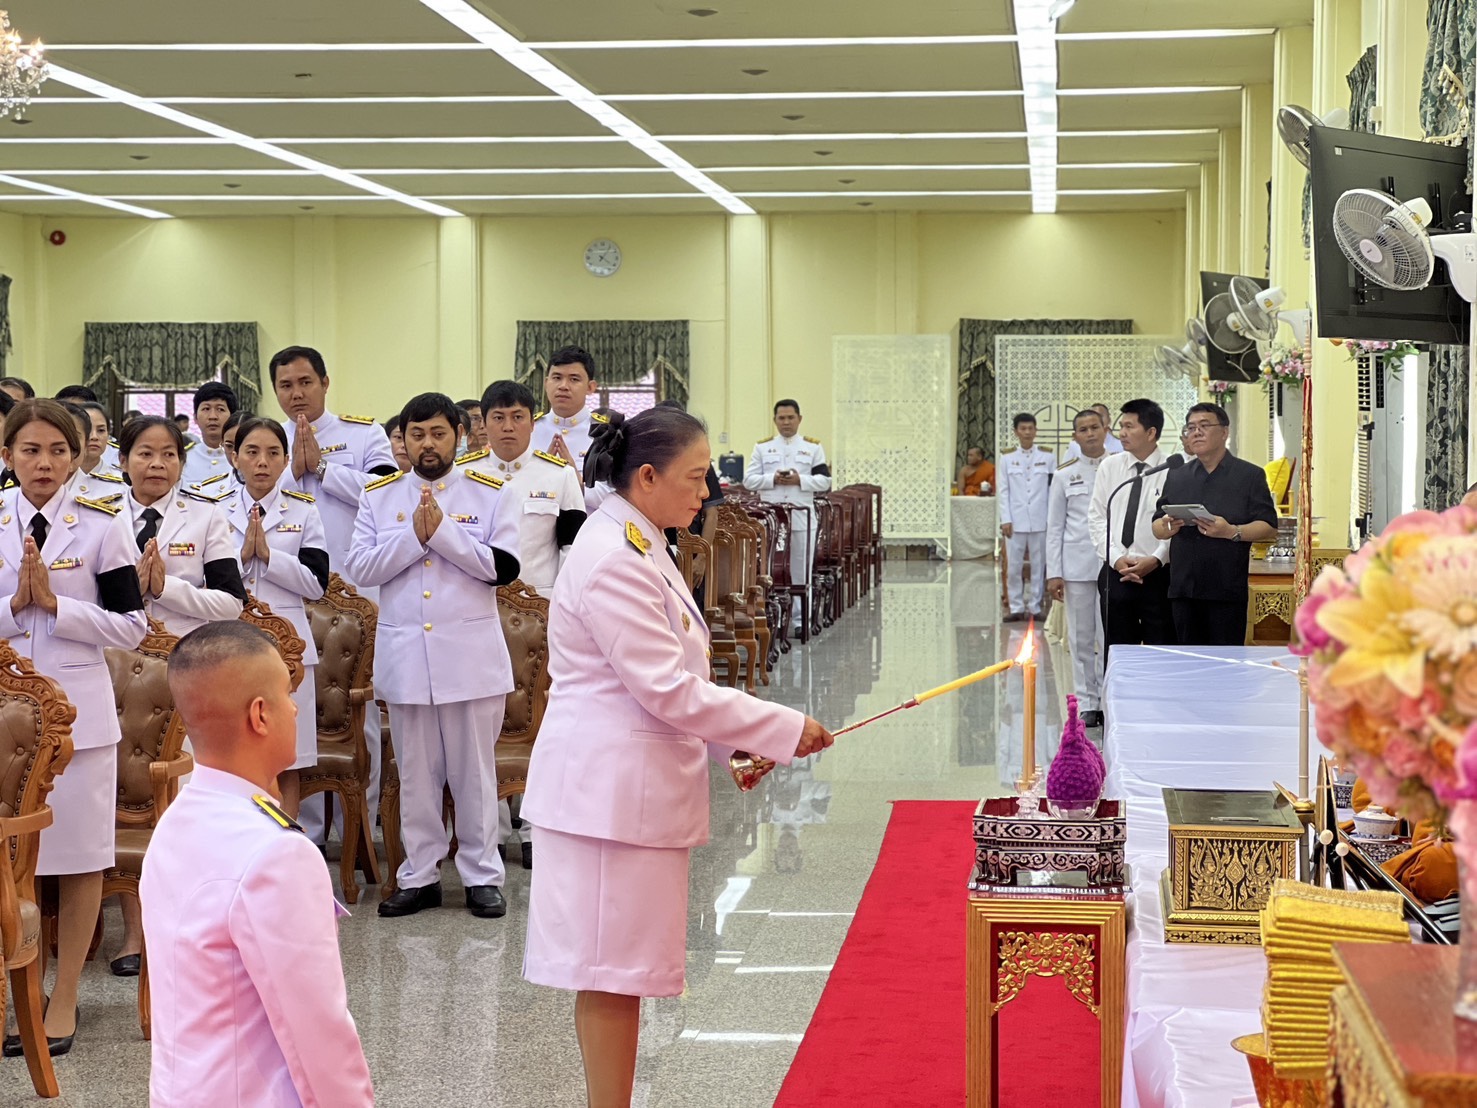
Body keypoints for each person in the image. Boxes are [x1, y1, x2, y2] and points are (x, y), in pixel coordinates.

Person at [523, 406, 834, 1107]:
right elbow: (665, 688)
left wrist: (734, 744)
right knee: (609, 972)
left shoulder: (641, 537)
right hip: (606, 798)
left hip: (625, 789)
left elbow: (670, 682)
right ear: (645, 476)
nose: (707, 493)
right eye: (695, 478)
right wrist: (778, 726)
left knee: (623, 972)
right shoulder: (613, 558)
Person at [140, 621, 373, 1106]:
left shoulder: (177, 820)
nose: (294, 707)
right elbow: (317, 1032)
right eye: (288, 695)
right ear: (260, 715)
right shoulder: (276, 853)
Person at [0, 399, 148, 1056]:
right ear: (8, 456)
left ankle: (63, 999)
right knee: (7, 865)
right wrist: (14, 606)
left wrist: (58, 607)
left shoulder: (102, 526)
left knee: (82, 862)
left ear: (74, 456)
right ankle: (15, 992)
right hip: (5, 726)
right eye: (30, 450)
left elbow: (132, 626)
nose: (44, 463)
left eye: (57, 451)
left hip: (79, 725)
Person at [346, 392, 521, 919]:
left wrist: (441, 534)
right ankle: (418, 876)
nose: (427, 444)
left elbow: (503, 567)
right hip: (405, 657)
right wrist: (411, 537)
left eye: (438, 433)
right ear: (402, 439)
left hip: (470, 658)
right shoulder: (378, 497)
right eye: (416, 434)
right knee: (416, 774)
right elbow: (360, 569)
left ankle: (481, 876)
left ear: (460, 436)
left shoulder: (490, 492)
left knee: (474, 773)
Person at [273, 345, 397, 845]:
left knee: (352, 708)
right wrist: (289, 467)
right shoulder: (267, 439)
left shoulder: (361, 434)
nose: (297, 393)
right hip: (289, 591)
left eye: (305, 382)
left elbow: (388, 495)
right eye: (286, 385)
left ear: (325, 383)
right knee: (293, 713)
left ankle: (355, 834)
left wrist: (323, 469)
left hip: (353, 595)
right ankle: (302, 832)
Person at [477, 379, 587, 870]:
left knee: (538, 723)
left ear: (531, 421)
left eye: (517, 417)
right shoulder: (466, 476)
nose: (507, 427)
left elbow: (572, 552)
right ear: (483, 424)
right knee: (486, 722)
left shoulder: (558, 475)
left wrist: (563, 617)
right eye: (497, 418)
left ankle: (532, 826)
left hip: (540, 621)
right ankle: (493, 827)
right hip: (478, 615)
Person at [227, 416, 330, 817]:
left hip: (289, 655)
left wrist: (270, 557)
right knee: (235, 755)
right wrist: (241, 558)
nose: (262, 462)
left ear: (287, 459)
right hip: (232, 648)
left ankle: (284, 848)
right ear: (235, 457)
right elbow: (207, 579)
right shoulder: (215, 510)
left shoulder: (303, 512)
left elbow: (316, 584)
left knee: (288, 757)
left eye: (273, 453)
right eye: (252, 452)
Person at [1152, 402, 1278, 645]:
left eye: (1204, 425)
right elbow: (1158, 524)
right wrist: (1166, 527)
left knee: (1225, 668)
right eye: (1190, 428)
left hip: (1226, 590)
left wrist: (1232, 531)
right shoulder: (1178, 475)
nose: (1196, 432)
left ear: (1224, 432)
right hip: (1183, 589)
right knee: (1188, 667)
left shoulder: (1249, 475)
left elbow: (1269, 526)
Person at [118, 416, 248, 637]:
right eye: (145, 453)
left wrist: (165, 589)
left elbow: (231, 604)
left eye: (169, 454)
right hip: (115, 651)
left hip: (185, 650)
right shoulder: (101, 516)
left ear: (181, 464)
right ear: (123, 461)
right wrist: (130, 591)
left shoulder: (206, 516)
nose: (157, 463)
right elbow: (83, 600)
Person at [1088, 398, 1176, 659]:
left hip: (1158, 575)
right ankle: (1116, 700)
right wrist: (1116, 559)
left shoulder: (1173, 470)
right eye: (1121, 426)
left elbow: (1177, 524)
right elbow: (1096, 517)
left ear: (1151, 432)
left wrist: (1157, 559)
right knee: (1117, 652)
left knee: (1161, 651)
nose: (1122, 433)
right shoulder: (1110, 467)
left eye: (1129, 427)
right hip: (1117, 573)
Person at [743, 399, 831, 633]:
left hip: (802, 518)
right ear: (775, 421)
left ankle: (801, 621)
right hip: (772, 520)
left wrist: (799, 480)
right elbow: (749, 479)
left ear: (799, 419)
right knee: (770, 570)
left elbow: (825, 481)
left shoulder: (812, 448)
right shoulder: (763, 448)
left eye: (791, 417)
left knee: (801, 571)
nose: (786, 422)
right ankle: (770, 620)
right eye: (781, 418)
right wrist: (772, 478)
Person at [1046, 410, 1109, 728]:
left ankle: (1108, 697)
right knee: (1081, 638)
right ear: (1075, 437)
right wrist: (1053, 572)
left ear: (1105, 429)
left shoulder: (1119, 467)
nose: (1089, 433)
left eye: (1094, 427)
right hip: (1077, 567)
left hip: (1112, 564)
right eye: (1082, 430)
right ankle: (1087, 701)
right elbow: (1054, 527)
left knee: (1109, 635)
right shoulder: (1063, 476)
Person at [997, 412, 1053, 621]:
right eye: (1023, 429)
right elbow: (1003, 491)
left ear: (1035, 431)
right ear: (1016, 432)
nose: (1027, 432)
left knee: (1039, 565)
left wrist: (1051, 520)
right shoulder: (1007, 458)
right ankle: (1016, 607)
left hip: (1040, 520)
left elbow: (1052, 490)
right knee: (1013, 566)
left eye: (1031, 428)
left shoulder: (1047, 457)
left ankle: (1036, 607)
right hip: (1015, 521)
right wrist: (1005, 519)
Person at [531, 345, 600, 475]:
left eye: (574, 379)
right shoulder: (529, 430)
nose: (563, 386)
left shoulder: (604, 433)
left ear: (590, 387)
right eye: (557, 378)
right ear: (546, 383)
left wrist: (575, 481)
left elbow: (615, 489)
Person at [182, 381, 240, 487]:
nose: (213, 416)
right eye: (206, 409)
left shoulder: (243, 457)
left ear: (233, 417)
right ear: (195, 417)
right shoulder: (183, 458)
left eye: (220, 409)